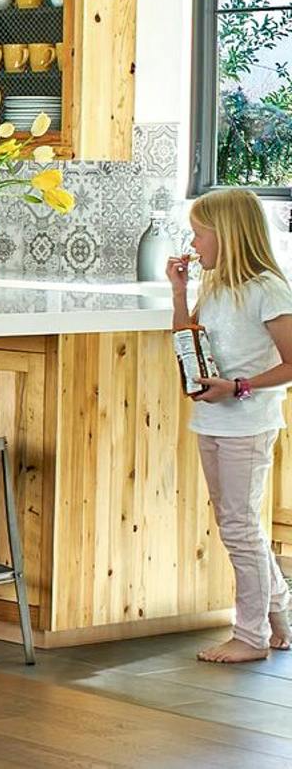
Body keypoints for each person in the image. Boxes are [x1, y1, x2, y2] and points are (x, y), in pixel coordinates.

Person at [167, 187, 292, 663]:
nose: (194, 245)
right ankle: (277, 617)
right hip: (212, 419)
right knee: (236, 525)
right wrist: (179, 293)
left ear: (228, 235)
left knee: (240, 527)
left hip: (248, 424)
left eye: (200, 235)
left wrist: (239, 387)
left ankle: (250, 636)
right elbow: (188, 341)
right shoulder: (216, 287)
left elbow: (291, 363)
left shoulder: (267, 290)